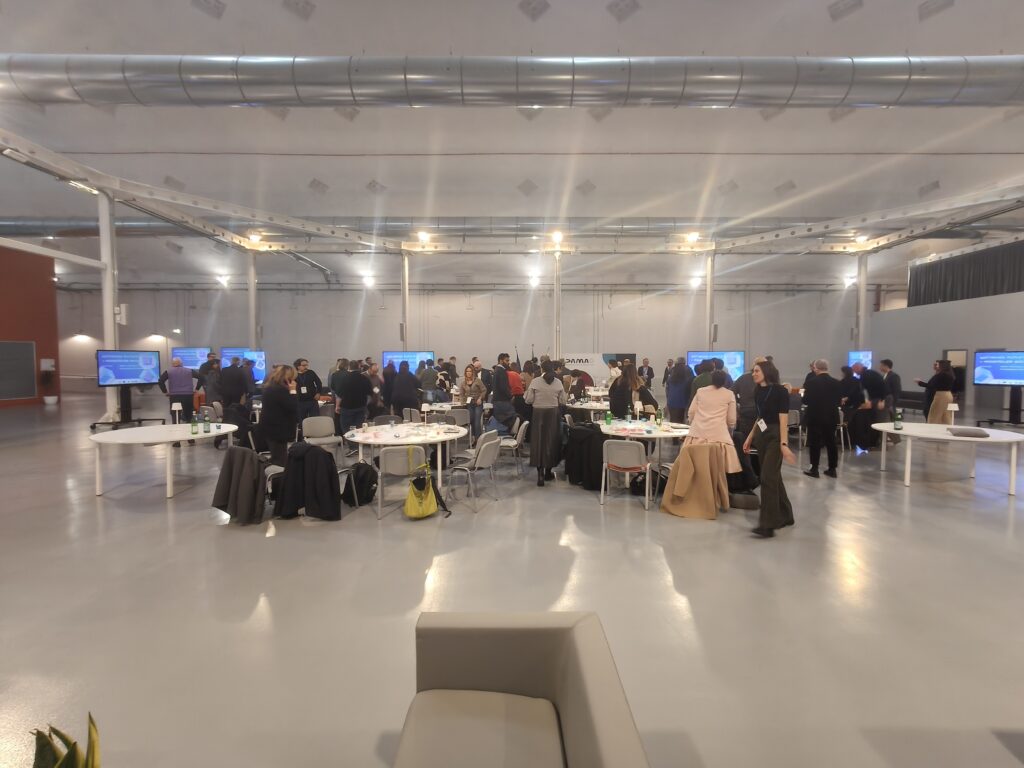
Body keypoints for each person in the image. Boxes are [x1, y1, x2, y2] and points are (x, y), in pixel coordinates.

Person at [742, 360, 796, 538]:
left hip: (775, 436)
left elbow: (783, 420)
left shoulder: (780, 391)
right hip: (762, 436)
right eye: (753, 371)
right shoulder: (758, 391)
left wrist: (783, 444)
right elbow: (760, 417)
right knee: (773, 476)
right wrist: (750, 437)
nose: (754, 374)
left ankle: (768, 524)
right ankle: (786, 515)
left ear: (766, 371)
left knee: (767, 477)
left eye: (757, 371)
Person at [683, 369, 741, 473]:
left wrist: (692, 423)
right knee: (717, 470)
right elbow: (731, 419)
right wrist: (730, 429)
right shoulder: (729, 394)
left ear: (712, 379)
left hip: (697, 435)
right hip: (719, 437)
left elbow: (691, 412)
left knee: (697, 469)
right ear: (725, 381)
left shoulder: (700, 391)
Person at [525, 360, 567, 486]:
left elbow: (529, 400)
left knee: (538, 443)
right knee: (551, 442)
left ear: (542, 369)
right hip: (553, 414)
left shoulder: (535, 381)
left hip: (538, 414)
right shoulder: (558, 382)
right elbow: (563, 400)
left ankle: (540, 475)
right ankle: (548, 472)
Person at [802, 359, 842, 478]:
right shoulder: (836, 382)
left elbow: (806, 400)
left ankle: (814, 469)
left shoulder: (811, 382)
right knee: (831, 442)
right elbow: (839, 401)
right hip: (831, 416)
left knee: (815, 443)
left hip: (815, 416)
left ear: (816, 368)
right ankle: (832, 469)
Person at [257, 364, 298, 467]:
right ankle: (278, 477)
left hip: (271, 427)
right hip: (278, 429)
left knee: (277, 456)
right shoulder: (280, 390)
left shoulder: (270, 387)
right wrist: (293, 390)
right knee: (280, 460)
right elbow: (292, 406)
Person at [158, 357, 204, 444]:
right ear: (181, 364)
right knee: (188, 417)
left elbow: (160, 381)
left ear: (173, 364)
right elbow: (201, 378)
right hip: (188, 396)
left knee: (176, 417)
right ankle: (190, 439)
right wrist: (197, 389)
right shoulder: (189, 371)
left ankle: (177, 441)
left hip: (175, 396)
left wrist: (165, 392)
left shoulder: (169, 371)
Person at [336, 358, 373, 450]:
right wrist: (365, 405)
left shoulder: (344, 378)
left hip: (346, 407)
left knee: (346, 427)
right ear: (359, 367)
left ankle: (352, 447)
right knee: (358, 427)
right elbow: (369, 394)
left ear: (349, 367)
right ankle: (358, 445)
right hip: (360, 407)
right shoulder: (364, 378)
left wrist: (337, 406)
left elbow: (339, 395)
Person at [732, 356, 766, 436]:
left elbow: (731, 392)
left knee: (745, 437)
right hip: (761, 415)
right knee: (762, 435)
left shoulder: (742, 378)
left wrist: (737, 405)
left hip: (745, 413)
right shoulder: (765, 379)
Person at [916, 359, 956, 424]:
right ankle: (946, 425)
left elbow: (931, 385)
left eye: (938, 365)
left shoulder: (941, 375)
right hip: (948, 395)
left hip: (941, 396)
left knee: (934, 413)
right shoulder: (950, 375)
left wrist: (920, 383)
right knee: (946, 414)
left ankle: (932, 427)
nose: (937, 366)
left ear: (942, 366)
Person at [458, 364, 487, 443]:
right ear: (465, 372)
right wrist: (462, 402)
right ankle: (473, 438)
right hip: (469, 404)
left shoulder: (477, 380)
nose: (468, 373)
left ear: (473, 372)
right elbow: (461, 394)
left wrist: (480, 398)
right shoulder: (463, 383)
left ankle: (479, 440)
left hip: (478, 403)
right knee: (471, 421)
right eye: (467, 371)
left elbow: (484, 390)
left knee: (477, 422)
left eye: (470, 371)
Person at [293, 358, 323, 426]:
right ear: (298, 366)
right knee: (302, 421)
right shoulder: (294, 374)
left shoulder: (311, 372)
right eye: (304, 365)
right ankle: (303, 432)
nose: (306, 367)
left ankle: (315, 432)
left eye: (307, 365)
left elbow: (319, 383)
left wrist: (318, 393)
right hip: (300, 401)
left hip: (312, 400)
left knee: (315, 420)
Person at [491, 353, 516, 429]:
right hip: (502, 401)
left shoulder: (496, 370)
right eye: (507, 360)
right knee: (509, 421)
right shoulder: (501, 371)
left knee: (499, 423)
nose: (508, 362)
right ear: (501, 361)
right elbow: (503, 387)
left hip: (497, 401)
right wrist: (511, 396)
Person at [666, 358, 694, 424]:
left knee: (673, 420)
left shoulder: (671, 375)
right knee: (681, 422)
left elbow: (667, 390)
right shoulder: (688, 372)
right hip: (682, 402)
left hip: (671, 402)